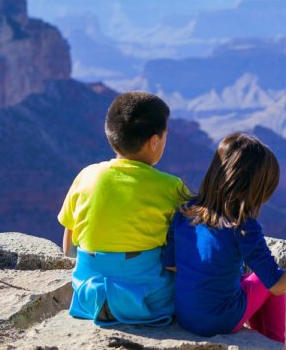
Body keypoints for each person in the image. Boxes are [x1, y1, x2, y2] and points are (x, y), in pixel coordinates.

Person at [163, 132, 286, 343]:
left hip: (186, 316)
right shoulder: (242, 225)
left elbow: (171, 265)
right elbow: (277, 284)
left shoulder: (185, 211)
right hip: (219, 321)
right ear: (255, 186)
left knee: (250, 279)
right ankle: (274, 343)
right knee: (267, 278)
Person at [58, 91, 189, 326]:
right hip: (148, 302)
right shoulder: (171, 186)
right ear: (154, 141)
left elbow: (68, 244)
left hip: (89, 298)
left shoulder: (86, 176)